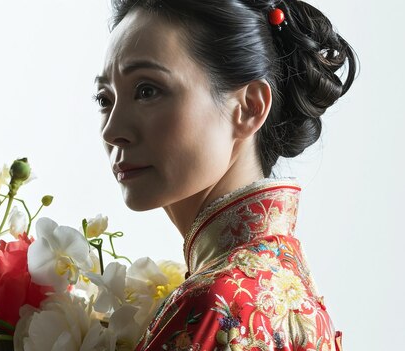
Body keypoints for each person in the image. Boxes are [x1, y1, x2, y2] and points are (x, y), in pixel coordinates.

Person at [92, 0, 358, 350]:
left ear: (248, 107)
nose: (112, 131)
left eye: (147, 91)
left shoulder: (212, 305)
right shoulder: (288, 284)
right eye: (104, 98)